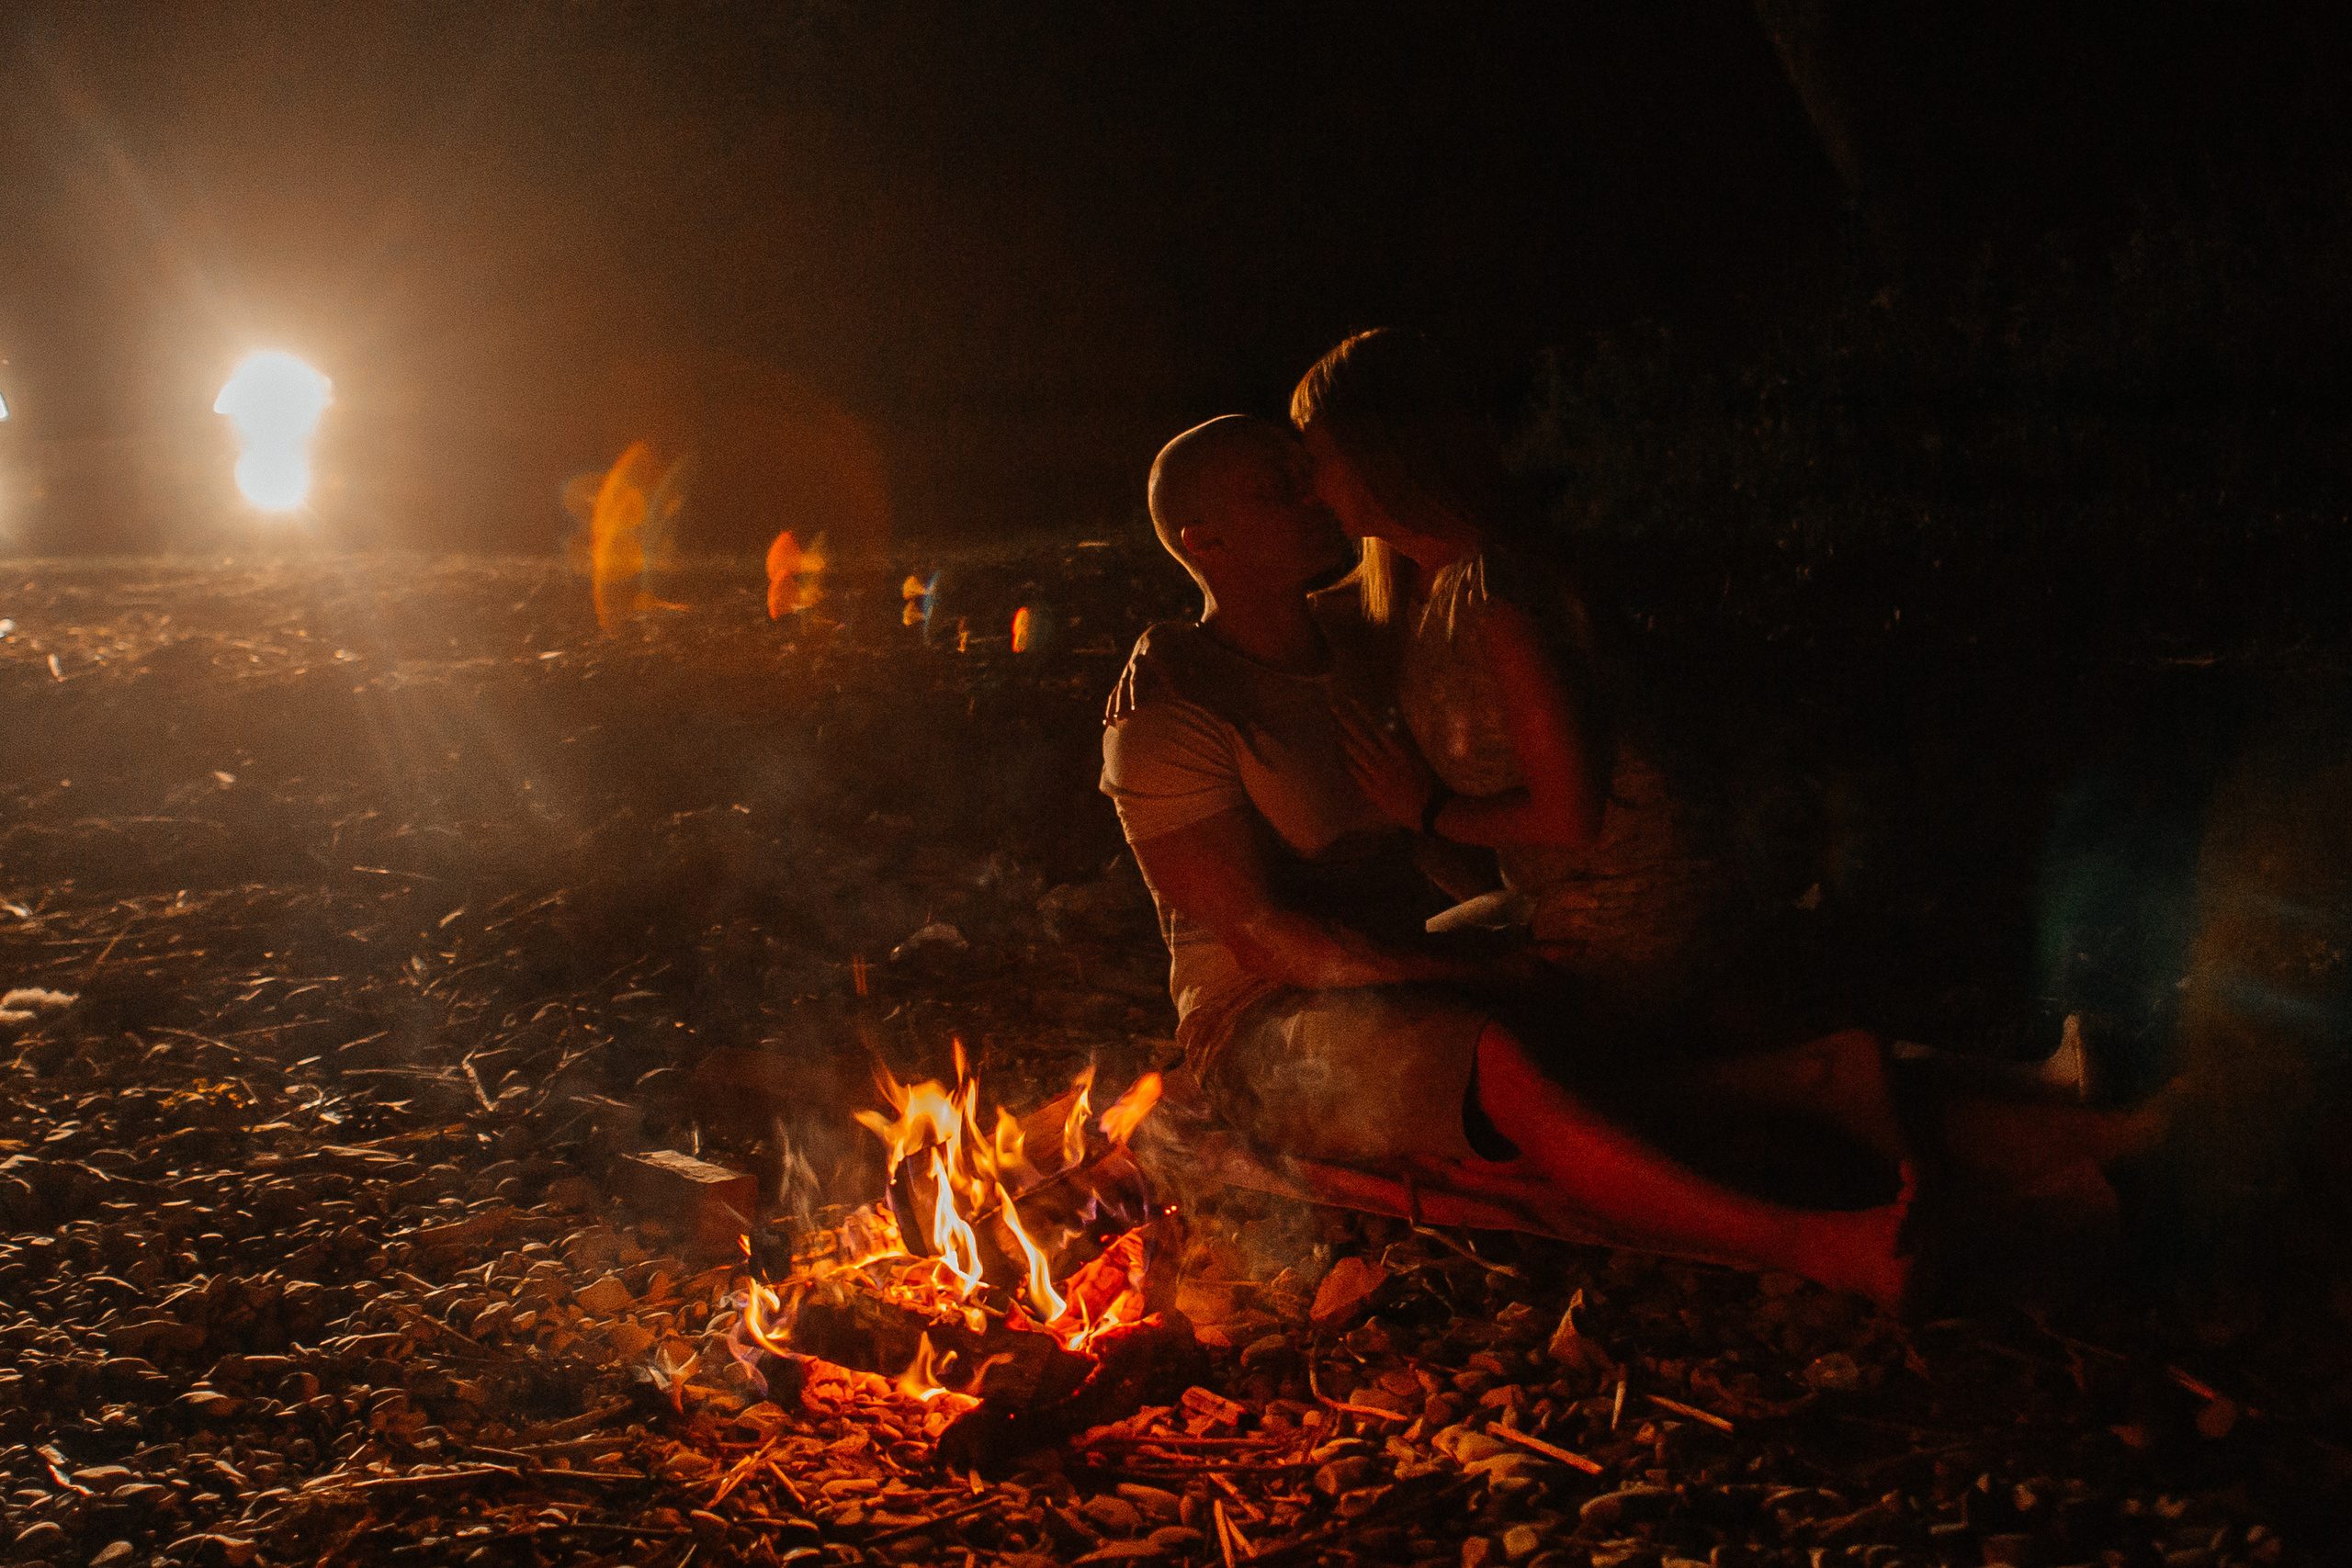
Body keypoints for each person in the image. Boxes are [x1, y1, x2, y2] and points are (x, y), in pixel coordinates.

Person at [1102, 413, 1918, 1309]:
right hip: (1262, 1025)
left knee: (1618, 975)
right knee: (1495, 1052)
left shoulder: (1361, 641)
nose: (1311, 500)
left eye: (1304, 474)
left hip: (1389, 967)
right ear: (1205, 541)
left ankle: (1818, 1084)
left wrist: (1549, 918)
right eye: (1276, 490)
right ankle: (1818, 1245)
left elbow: (1435, 836)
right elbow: (1261, 937)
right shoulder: (1171, 698)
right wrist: (1482, 970)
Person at [1292, 329, 1717, 1024]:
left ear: (1380, 454)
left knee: (1370, 1009)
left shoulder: (1496, 593)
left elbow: (1570, 814)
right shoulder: (1411, 582)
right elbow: (1268, 611)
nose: (1311, 492)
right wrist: (1171, 653)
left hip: (1626, 907)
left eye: (1319, 461)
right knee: (1355, 978)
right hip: (1552, 900)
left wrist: (1425, 809)